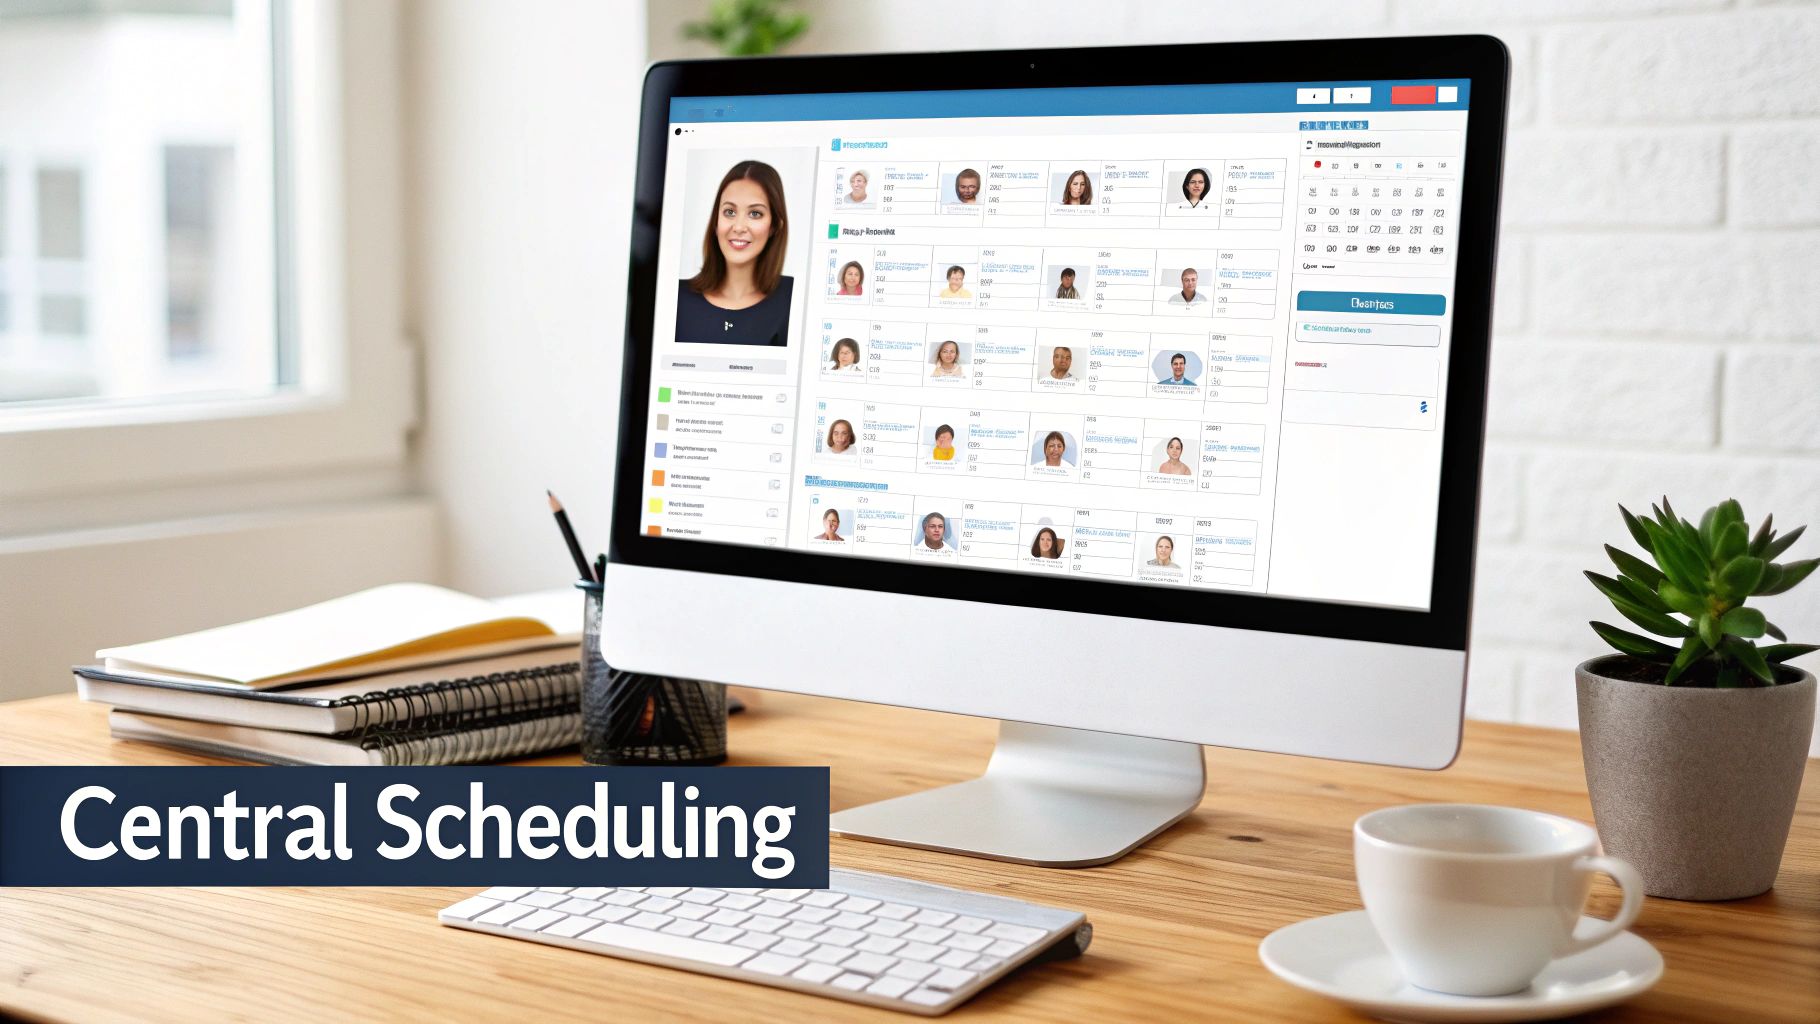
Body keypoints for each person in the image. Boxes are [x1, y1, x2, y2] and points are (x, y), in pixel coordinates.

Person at [675, 160, 794, 346]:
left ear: (774, 226)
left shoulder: (794, 298)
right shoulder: (675, 297)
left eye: (755, 214)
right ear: (716, 222)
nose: (738, 227)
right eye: (729, 212)